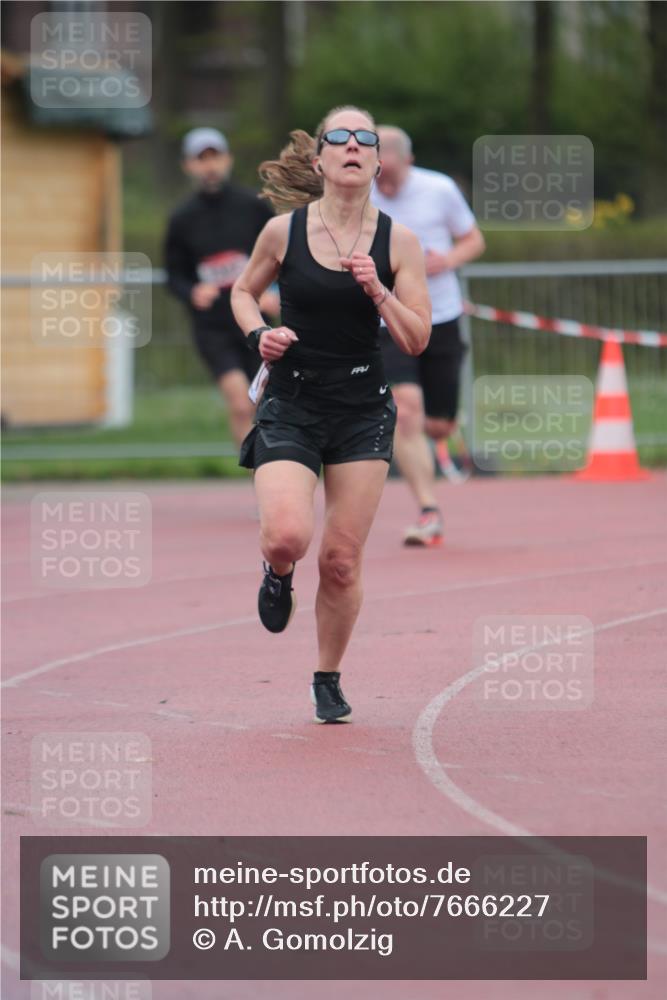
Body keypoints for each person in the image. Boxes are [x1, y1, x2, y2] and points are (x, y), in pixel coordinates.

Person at [231, 106, 430, 723]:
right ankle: (276, 569)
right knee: (289, 534)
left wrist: (378, 291)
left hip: (361, 408)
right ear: (319, 160)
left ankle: (327, 676)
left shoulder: (398, 241)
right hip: (292, 401)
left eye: (364, 139)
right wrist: (258, 333)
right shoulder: (282, 232)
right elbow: (242, 292)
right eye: (337, 138)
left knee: (341, 560)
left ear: (377, 161)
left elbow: (417, 339)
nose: (351, 145)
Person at [371, 126, 485, 546]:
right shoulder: (359, 194)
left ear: (410, 161)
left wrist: (448, 260)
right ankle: (427, 508)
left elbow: (474, 240)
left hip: (442, 315)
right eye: (379, 174)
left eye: (392, 175)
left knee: (437, 422)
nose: (384, 183)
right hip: (387, 319)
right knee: (406, 409)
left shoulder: (438, 189)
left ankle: (441, 431)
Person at [164, 127, 279, 447]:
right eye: (201, 159)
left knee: (264, 404)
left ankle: (270, 478)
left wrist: (276, 294)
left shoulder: (253, 206)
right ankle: (255, 479)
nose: (210, 166)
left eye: (215, 157)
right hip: (213, 327)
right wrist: (191, 292)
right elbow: (173, 275)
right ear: (188, 166)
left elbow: (281, 255)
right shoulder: (182, 218)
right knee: (241, 404)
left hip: (257, 323)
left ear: (228, 159)